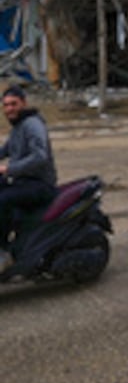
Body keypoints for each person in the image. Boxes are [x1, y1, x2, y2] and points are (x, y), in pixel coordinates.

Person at [0, 84, 57, 267]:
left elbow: (40, 156)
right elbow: (5, 150)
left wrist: (9, 169)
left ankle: (3, 253)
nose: (9, 109)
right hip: (23, 181)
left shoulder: (33, 124)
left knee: (3, 200)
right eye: (6, 105)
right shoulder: (18, 127)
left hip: (40, 184)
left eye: (13, 104)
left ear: (23, 103)